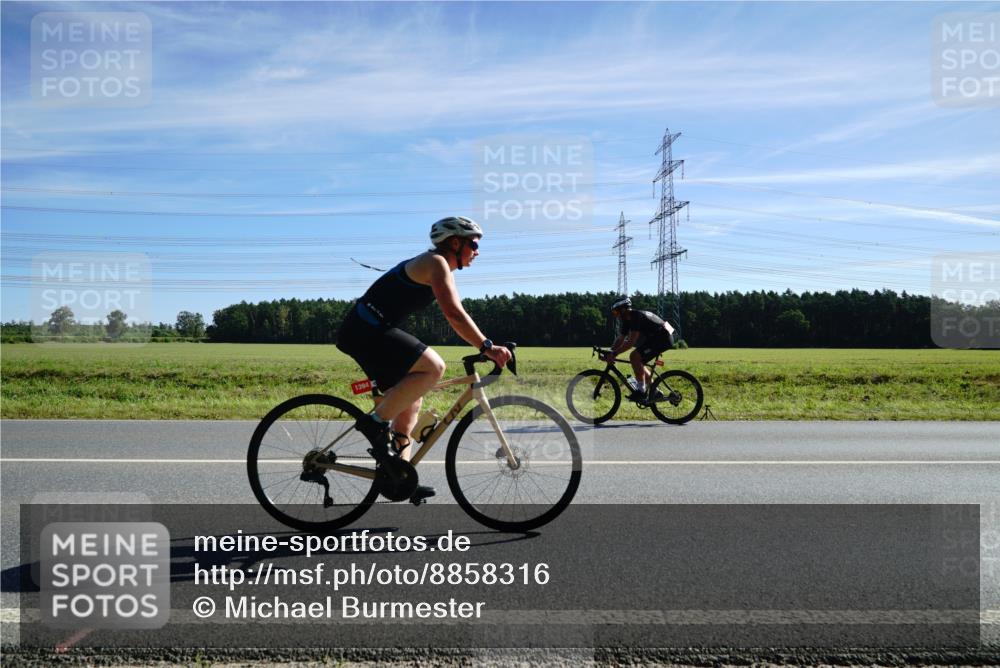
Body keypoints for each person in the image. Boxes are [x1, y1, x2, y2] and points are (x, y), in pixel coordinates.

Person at [337, 216, 512, 502]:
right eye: (474, 245)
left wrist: (484, 344)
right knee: (434, 367)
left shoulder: (438, 265)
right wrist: (487, 346)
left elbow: (458, 312)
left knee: (411, 401)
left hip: (368, 330)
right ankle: (374, 422)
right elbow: (455, 315)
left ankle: (398, 476)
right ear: (455, 243)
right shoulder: (436, 263)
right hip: (365, 330)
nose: (477, 252)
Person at [602, 297, 676, 401]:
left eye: (615, 312)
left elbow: (631, 342)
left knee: (634, 356)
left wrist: (614, 354)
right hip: (656, 337)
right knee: (638, 361)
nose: (615, 315)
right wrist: (610, 351)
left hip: (663, 338)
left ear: (623, 309)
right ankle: (656, 392)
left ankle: (641, 391)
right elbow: (621, 339)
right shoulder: (627, 320)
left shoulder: (636, 316)